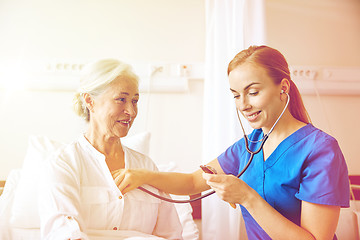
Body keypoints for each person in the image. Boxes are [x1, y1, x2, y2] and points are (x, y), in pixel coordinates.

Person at [112, 45, 350, 240]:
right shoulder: (249, 146)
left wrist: (247, 197)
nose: (243, 104)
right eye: (236, 95)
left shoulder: (320, 150)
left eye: (253, 92)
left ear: (283, 88)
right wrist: (142, 176)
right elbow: (193, 181)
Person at [38, 59, 183, 240]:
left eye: (135, 101)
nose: (131, 111)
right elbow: (63, 233)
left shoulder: (146, 167)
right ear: (90, 101)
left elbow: (171, 234)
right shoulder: (63, 164)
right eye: (121, 99)